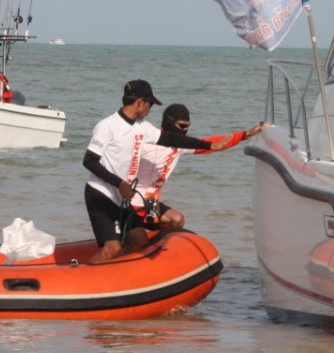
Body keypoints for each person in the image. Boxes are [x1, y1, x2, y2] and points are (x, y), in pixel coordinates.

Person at [82, 80, 239, 263]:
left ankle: (112, 276)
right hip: (101, 193)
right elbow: (89, 161)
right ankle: (80, 279)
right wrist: (119, 183)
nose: (150, 109)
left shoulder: (142, 127)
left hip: (121, 195)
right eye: (149, 104)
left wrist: (208, 145)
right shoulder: (108, 126)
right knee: (113, 247)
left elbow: (172, 139)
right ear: (140, 102)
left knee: (141, 244)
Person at [131, 104, 264, 230]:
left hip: (150, 201)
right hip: (131, 201)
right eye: (182, 126)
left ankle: (155, 246)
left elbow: (212, 143)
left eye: (187, 127)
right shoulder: (147, 142)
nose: (185, 131)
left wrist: (246, 135)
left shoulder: (181, 145)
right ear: (169, 122)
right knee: (135, 236)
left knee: (177, 220)